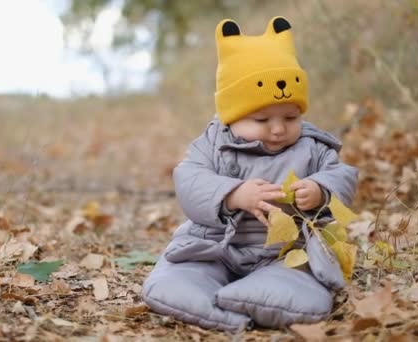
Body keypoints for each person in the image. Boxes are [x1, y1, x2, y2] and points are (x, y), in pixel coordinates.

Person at [142, 16, 358, 331]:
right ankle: (217, 306)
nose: (279, 128)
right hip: (215, 246)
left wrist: (321, 189)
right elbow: (189, 180)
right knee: (174, 279)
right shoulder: (212, 145)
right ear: (232, 116)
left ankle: (258, 295)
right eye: (261, 120)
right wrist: (233, 194)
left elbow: (342, 175)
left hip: (286, 250)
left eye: (290, 116)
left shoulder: (312, 146)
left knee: (301, 276)